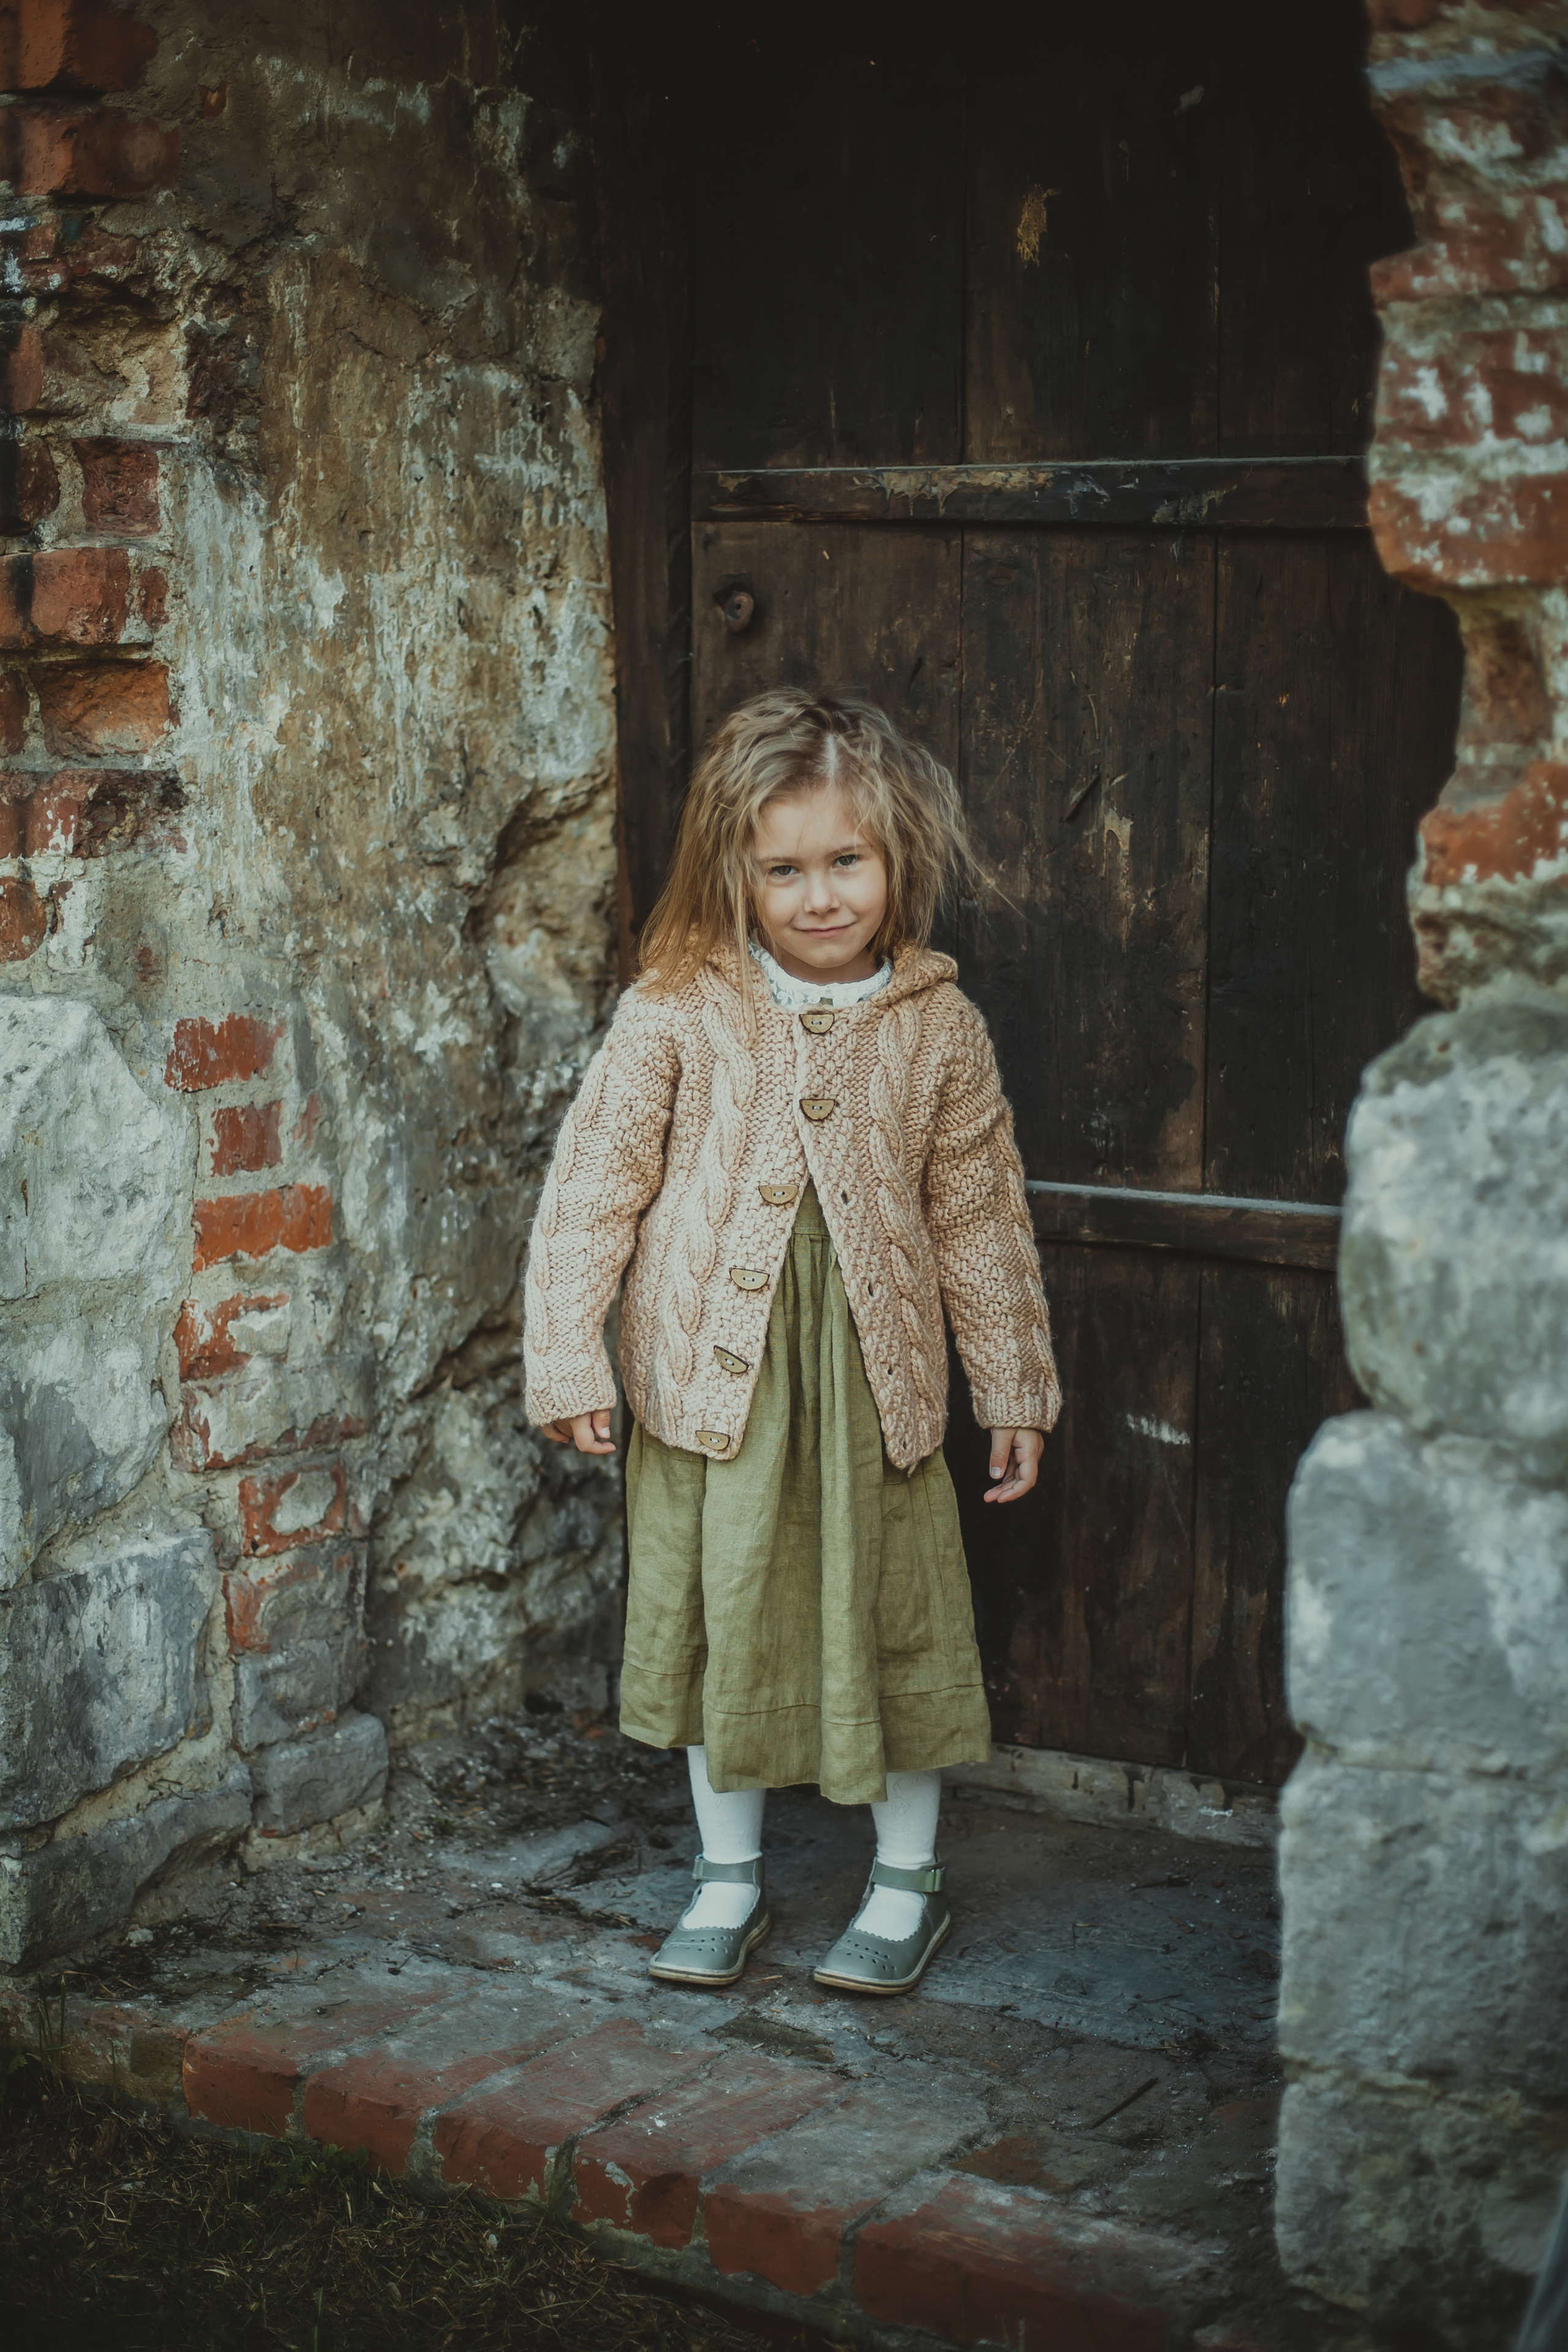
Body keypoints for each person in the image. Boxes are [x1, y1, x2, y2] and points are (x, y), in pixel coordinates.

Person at [522, 687, 1060, 1995]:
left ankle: (904, 1880)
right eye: (784, 869)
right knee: (718, 1617)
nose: (819, 895)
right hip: (718, 1385)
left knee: (898, 1620)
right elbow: (595, 1184)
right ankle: (725, 1876)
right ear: (735, 871)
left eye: (845, 861)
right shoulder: (676, 1008)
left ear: (894, 862)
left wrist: (1012, 1386)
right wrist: (565, 1353)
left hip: (873, 1390)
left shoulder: (937, 1025)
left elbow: (978, 1217)